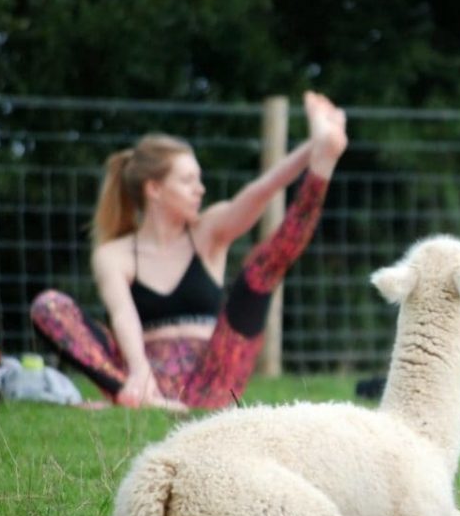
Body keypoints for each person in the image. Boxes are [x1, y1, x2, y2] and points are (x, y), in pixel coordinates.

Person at [30, 91, 348, 411]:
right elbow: (123, 315)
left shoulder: (207, 232)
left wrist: (314, 147)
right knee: (49, 306)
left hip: (213, 377)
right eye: (188, 181)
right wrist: (140, 371)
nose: (201, 189)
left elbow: (261, 191)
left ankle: (324, 163)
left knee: (263, 270)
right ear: (154, 189)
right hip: (144, 378)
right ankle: (138, 397)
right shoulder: (114, 255)